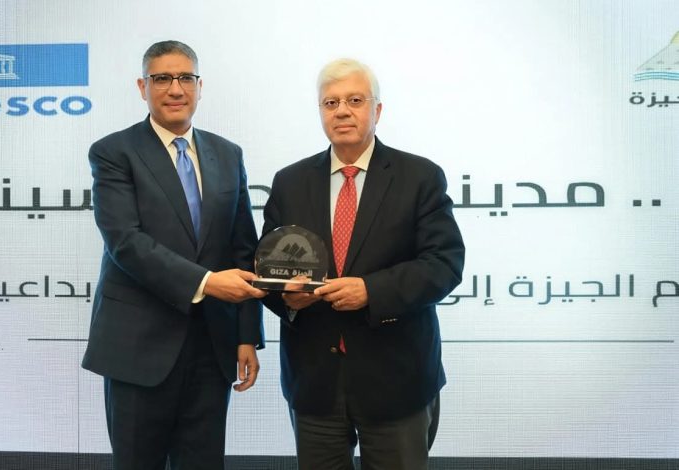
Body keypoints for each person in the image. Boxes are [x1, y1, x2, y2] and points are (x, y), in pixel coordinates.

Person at [261, 58, 465, 470]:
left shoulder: (419, 177)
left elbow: (444, 264)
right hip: (315, 381)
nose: (342, 111)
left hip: (396, 380)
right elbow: (267, 271)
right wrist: (287, 300)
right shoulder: (289, 181)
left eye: (355, 100)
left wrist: (371, 291)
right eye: (330, 102)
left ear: (377, 110)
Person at [81, 40, 266, 470]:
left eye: (185, 78)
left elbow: (243, 247)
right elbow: (125, 241)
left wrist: (245, 335)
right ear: (142, 86)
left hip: (212, 349)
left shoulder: (228, 154)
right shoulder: (114, 152)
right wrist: (207, 282)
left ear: (200, 86)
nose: (175, 89)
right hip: (138, 348)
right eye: (162, 78)